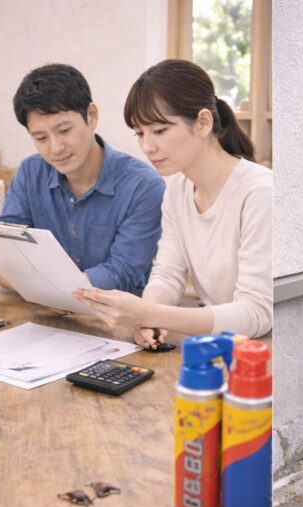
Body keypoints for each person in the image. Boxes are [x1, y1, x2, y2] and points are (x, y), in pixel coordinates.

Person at [73, 59, 272, 345]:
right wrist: (147, 320)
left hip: (267, 349)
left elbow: (256, 313)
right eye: (140, 133)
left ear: (203, 123)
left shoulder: (259, 193)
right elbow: (167, 274)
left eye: (159, 130)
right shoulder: (178, 189)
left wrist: (150, 313)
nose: (147, 146)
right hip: (220, 344)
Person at [0, 64, 164, 294]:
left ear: (91, 116)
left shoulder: (144, 187)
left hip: (117, 311)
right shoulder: (30, 173)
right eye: (41, 138)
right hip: (41, 308)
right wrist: (5, 268)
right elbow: (2, 252)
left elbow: (123, 271)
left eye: (64, 131)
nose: (56, 148)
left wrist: (37, 282)